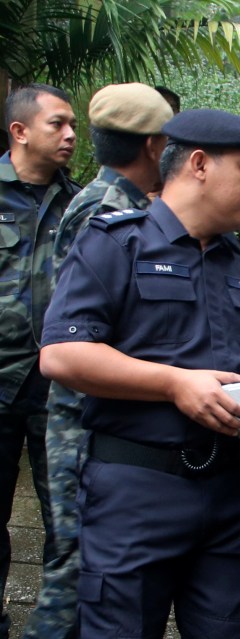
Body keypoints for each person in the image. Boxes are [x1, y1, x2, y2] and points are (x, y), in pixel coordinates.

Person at [38, 109, 240, 638]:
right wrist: (174, 383)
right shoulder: (115, 242)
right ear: (199, 165)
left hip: (233, 496)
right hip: (137, 490)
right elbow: (62, 354)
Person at [20, 82, 174, 639]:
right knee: (77, 564)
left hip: (88, 412)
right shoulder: (107, 210)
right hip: (82, 416)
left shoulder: (105, 200)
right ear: (156, 145)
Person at [0, 83, 80, 639]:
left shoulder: (79, 205)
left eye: (74, 124)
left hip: (60, 392)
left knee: (68, 524)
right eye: (58, 124)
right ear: (20, 130)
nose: (71, 135)